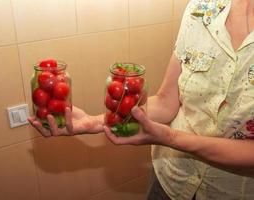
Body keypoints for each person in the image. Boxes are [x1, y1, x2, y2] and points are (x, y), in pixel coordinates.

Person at [28, 0, 254, 199]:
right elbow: (167, 102)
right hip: (171, 178)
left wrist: (171, 137)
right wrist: (94, 122)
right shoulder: (202, 8)